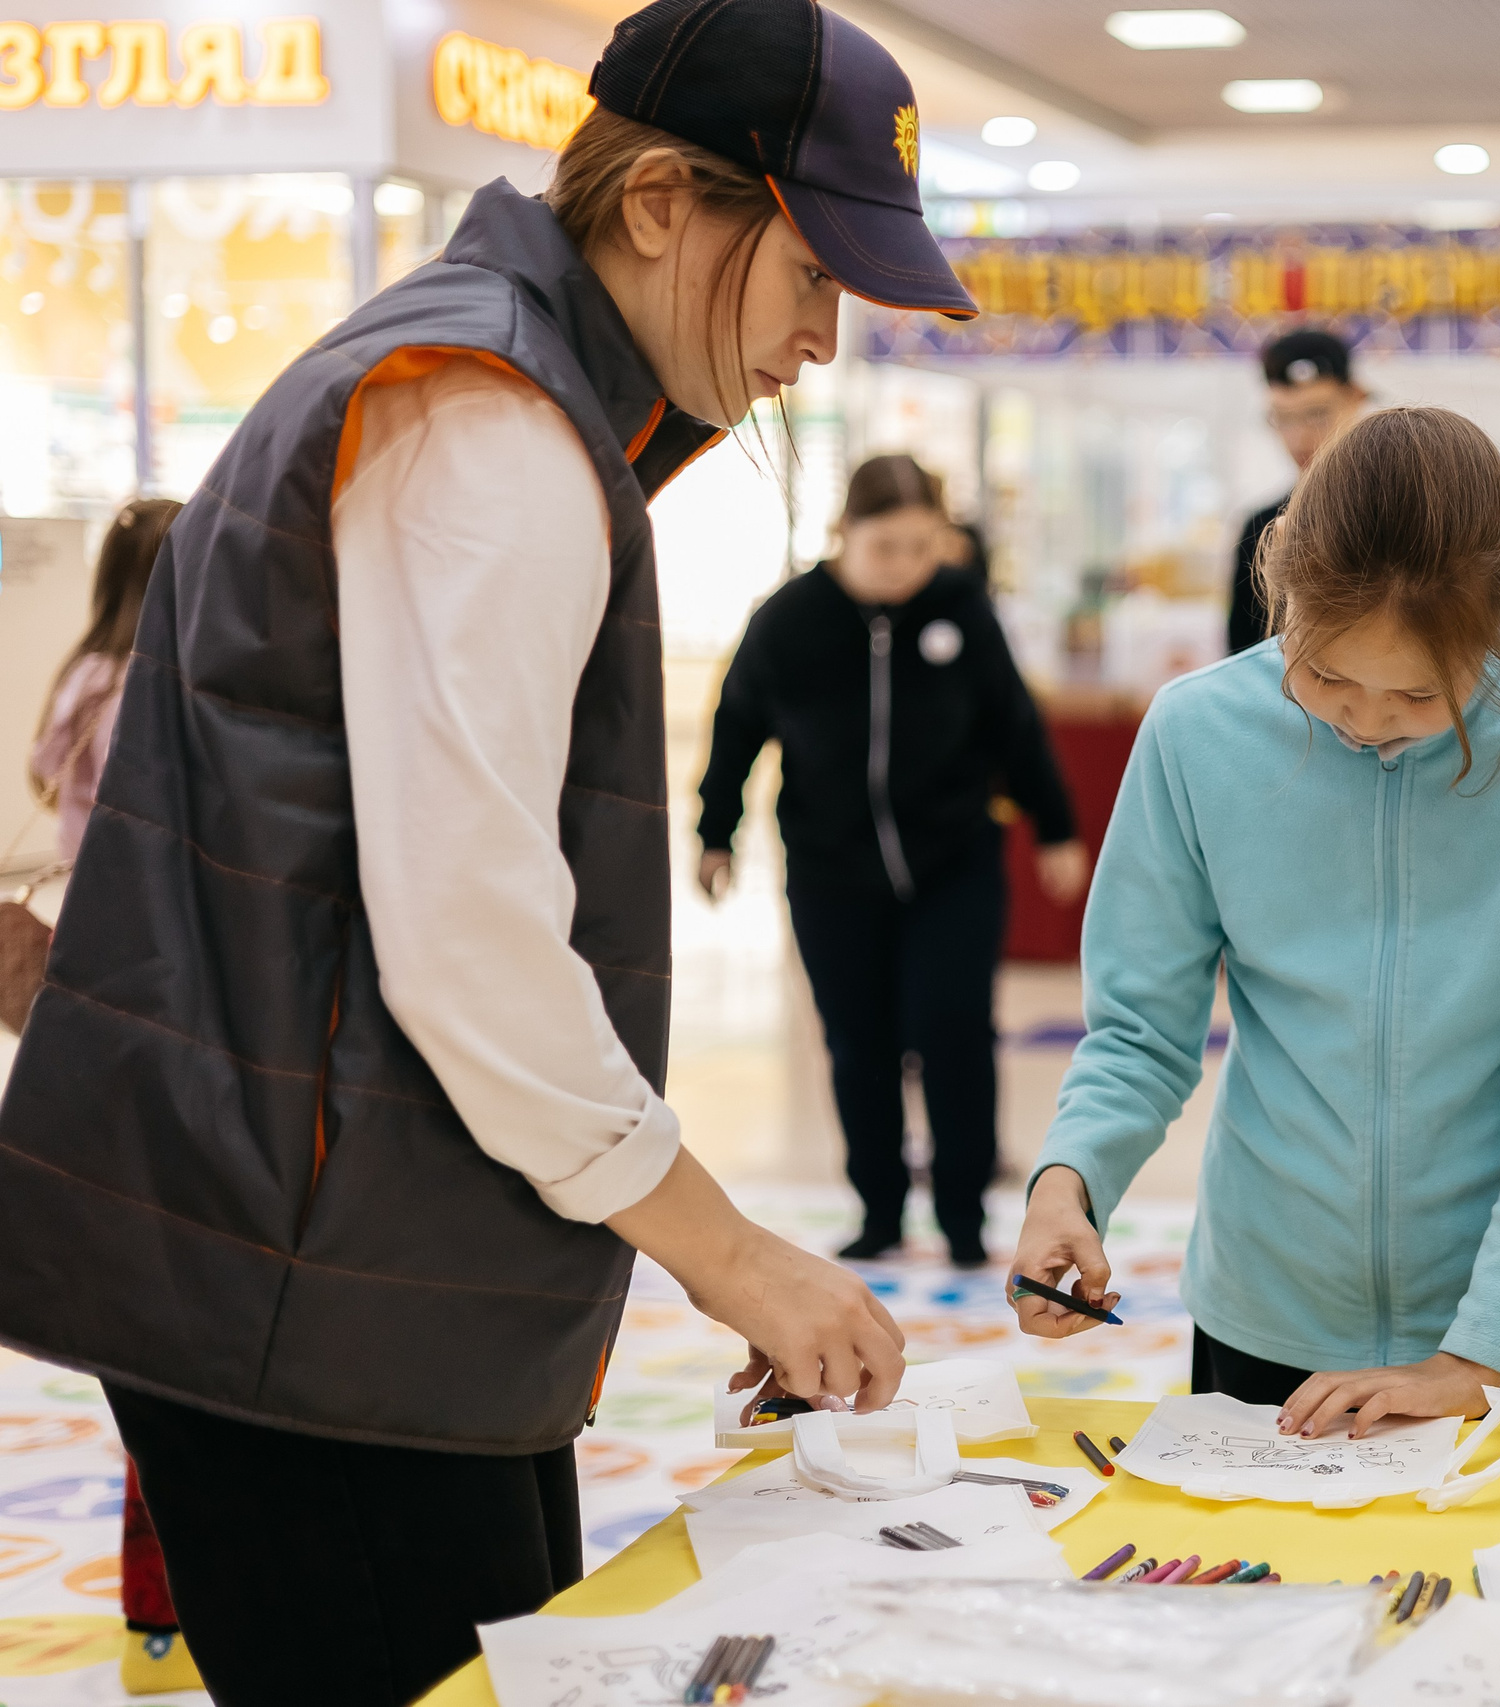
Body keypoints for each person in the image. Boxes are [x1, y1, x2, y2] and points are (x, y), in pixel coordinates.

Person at [0, 1, 971, 1698]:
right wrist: (735, 1258)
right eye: (814, 271)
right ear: (666, 203)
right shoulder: (495, 417)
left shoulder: (516, 391)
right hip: (310, 1304)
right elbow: (466, 938)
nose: (824, 337)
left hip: (359, 1272)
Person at [1010, 406, 1500, 1433]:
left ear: (1498, 624)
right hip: (1268, 1315)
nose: (1363, 719)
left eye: (1412, 697)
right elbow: (1140, 1028)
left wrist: (1477, 1354)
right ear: (1284, 594)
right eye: (1324, 676)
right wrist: (1068, 1184)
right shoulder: (1197, 732)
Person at [697, 453, 1087, 1267]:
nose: (905, 566)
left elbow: (1013, 723)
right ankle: (878, 1210)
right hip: (832, 872)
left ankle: (963, 1217)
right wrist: (714, 832)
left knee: (953, 1034)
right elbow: (736, 726)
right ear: (844, 534)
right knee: (857, 1041)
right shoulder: (790, 618)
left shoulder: (960, 609)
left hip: (953, 865)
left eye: (921, 547)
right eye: (886, 548)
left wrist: (1055, 827)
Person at [21, 496, 190, 1691]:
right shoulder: (157, 685)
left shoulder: (82, 676)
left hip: (90, 992)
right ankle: (170, 1609)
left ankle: (160, 1616)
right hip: (158, 993)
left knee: (157, 1318)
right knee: (177, 1336)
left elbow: (47, 792)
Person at [26, 498, 180, 864]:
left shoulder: (87, 668)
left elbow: (45, 771)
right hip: (128, 885)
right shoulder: (148, 681)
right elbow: (133, 806)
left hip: (85, 874)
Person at [1226, 327, 1367, 654]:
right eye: (1283, 419)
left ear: (1356, 398)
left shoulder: (1405, 505)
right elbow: (1243, 658)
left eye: (1317, 414)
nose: (1299, 438)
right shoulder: (1261, 528)